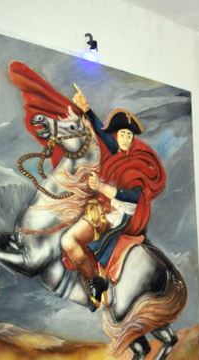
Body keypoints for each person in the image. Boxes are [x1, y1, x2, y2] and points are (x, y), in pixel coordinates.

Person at [61, 85, 166, 310]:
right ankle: (95, 281)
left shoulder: (139, 162)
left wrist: (101, 187)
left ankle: (96, 281)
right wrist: (86, 109)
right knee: (68, 237)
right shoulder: (117, 151)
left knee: (69, 240)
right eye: (122, 134)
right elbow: (102, 133)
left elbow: (133, 196)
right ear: (117, 136)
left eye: (129, 135)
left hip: (120, 216)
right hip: (104, 208)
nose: (125, 138)